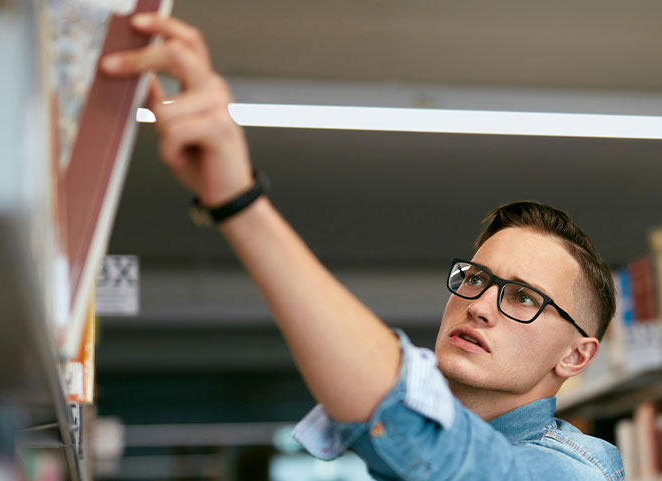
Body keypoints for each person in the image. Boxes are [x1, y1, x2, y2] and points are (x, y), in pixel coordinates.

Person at [101, 13, 625, 480]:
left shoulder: (575, 469)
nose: (482, 305)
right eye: (477, 278)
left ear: (577, 356)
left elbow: (454, 460)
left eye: (524, 299)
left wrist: (239, 204)